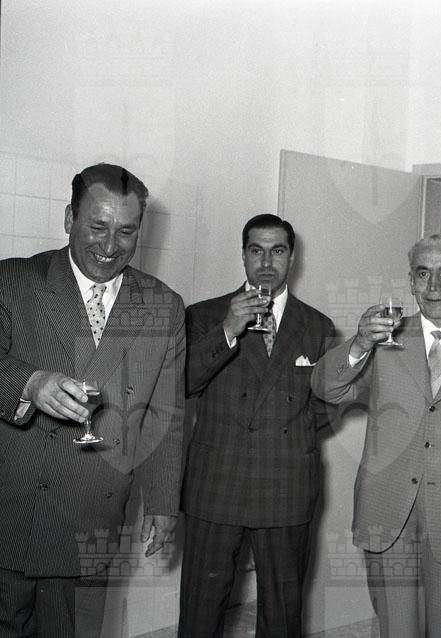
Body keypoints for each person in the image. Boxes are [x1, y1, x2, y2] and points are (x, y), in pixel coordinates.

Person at [0, 163, 186, 637]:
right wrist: (30, 383)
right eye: (97, 227)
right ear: (69, 218)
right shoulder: (14, 280)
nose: (110, 246)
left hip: (91, 517)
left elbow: (165, 416)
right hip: (11, 507)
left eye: (126, 231)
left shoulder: (163, 306)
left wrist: (163, 502)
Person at [311, 233, 441, 637]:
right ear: (411, 281)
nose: (434, 286)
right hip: (389, 513)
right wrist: (359, 342)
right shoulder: (382, 342)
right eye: (423, 274)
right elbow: (325, 388)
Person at [179, 214, 335, 637]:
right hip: (216, 484)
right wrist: (228, 330)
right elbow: (183, 385)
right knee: (200, 614)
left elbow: (327, 407)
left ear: (292, 257)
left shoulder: (317, 326)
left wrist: (283, 436)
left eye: (277, 251)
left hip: (286, 485)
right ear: (244, 255)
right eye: (257, 251)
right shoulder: (204, 315)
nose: (267, 262)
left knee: (282, 616)